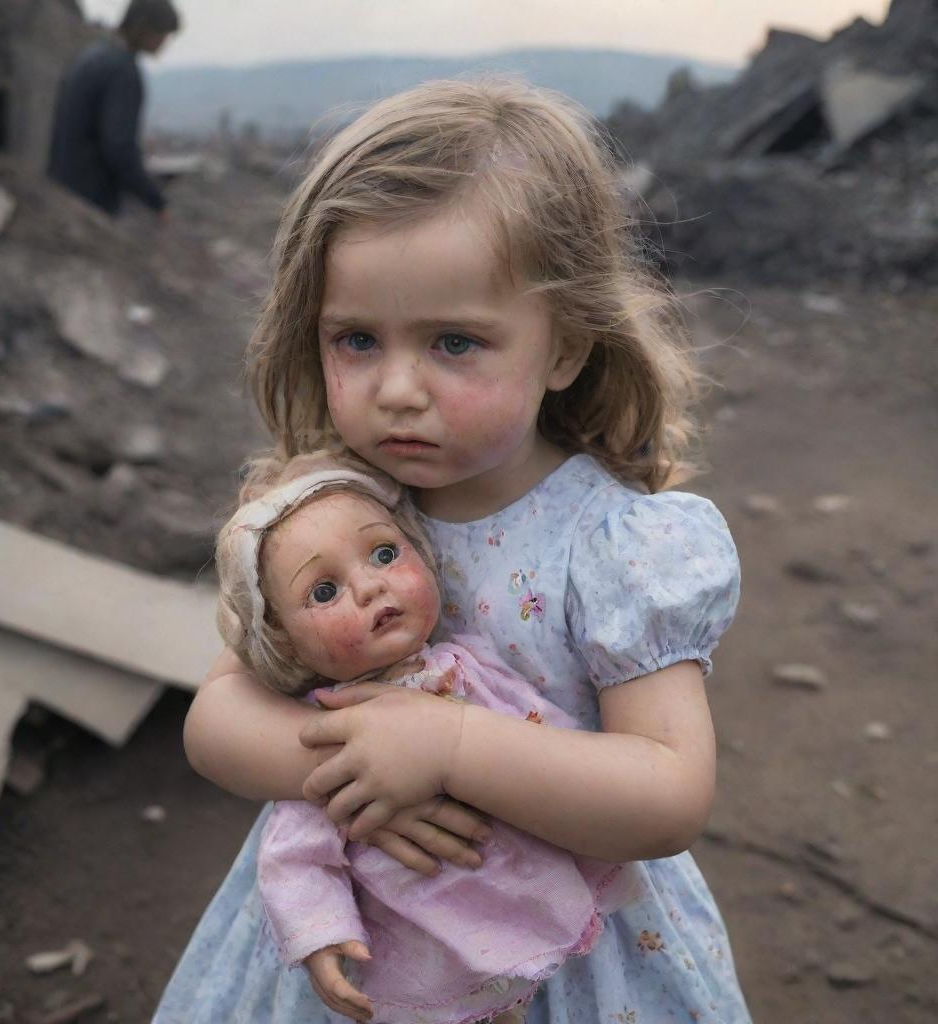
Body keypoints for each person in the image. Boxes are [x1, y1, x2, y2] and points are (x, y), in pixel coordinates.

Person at [155, 78, 751, 1023]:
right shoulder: (333, 513)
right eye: (357, 339)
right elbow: (216, 722)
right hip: (361, 940)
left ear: (566, 347)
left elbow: (670, 792)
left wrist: (452, 746)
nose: (397, 389)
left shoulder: (613, 547)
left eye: (455, 343)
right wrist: (360, 768)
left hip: (563, 953)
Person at [214, 448, 642, 1024]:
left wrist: (589, 811)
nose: (368, 587)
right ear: (285, 641)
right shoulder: (329, 727)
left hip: (526, 889)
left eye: (385, 554)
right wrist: (320, 935)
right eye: (323, 591)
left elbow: (544, 729)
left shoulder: (467, 666)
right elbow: (295, 853)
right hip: (426, 937)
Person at [47, 0, 180, 217]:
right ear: (142, 27)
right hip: (89, 199)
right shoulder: (121, 69)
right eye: (161, 34)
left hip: (64, 191)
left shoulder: (94, 56)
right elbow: (119, 147)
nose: (163, 43)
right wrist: (155, 200)